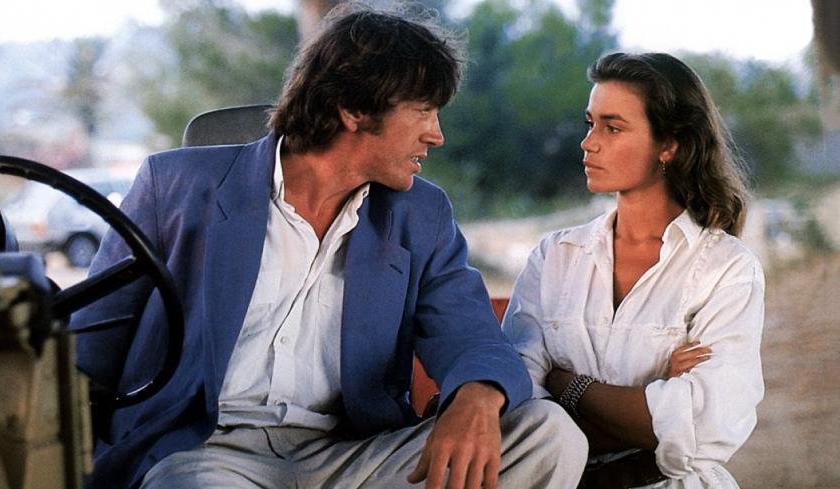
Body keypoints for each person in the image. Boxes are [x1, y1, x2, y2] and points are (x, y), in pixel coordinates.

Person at [70, 4, 588, 489]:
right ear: (354, 110)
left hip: (353, 456)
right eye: (423, 110)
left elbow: (470, 333)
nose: (437, 135)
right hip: (204, 453)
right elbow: (90, 345)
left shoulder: (421, 214)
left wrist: (478, 393)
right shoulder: (175, 186)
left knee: (547, 434)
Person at [502, 52, 764, 488]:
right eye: (590, 123)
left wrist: (567, 385)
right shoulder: (555, 257)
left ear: (669, 145)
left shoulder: (727, 269)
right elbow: (518, 414)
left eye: (613, 127)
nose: (588, 143)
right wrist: (656, 395)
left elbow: (704, 430)